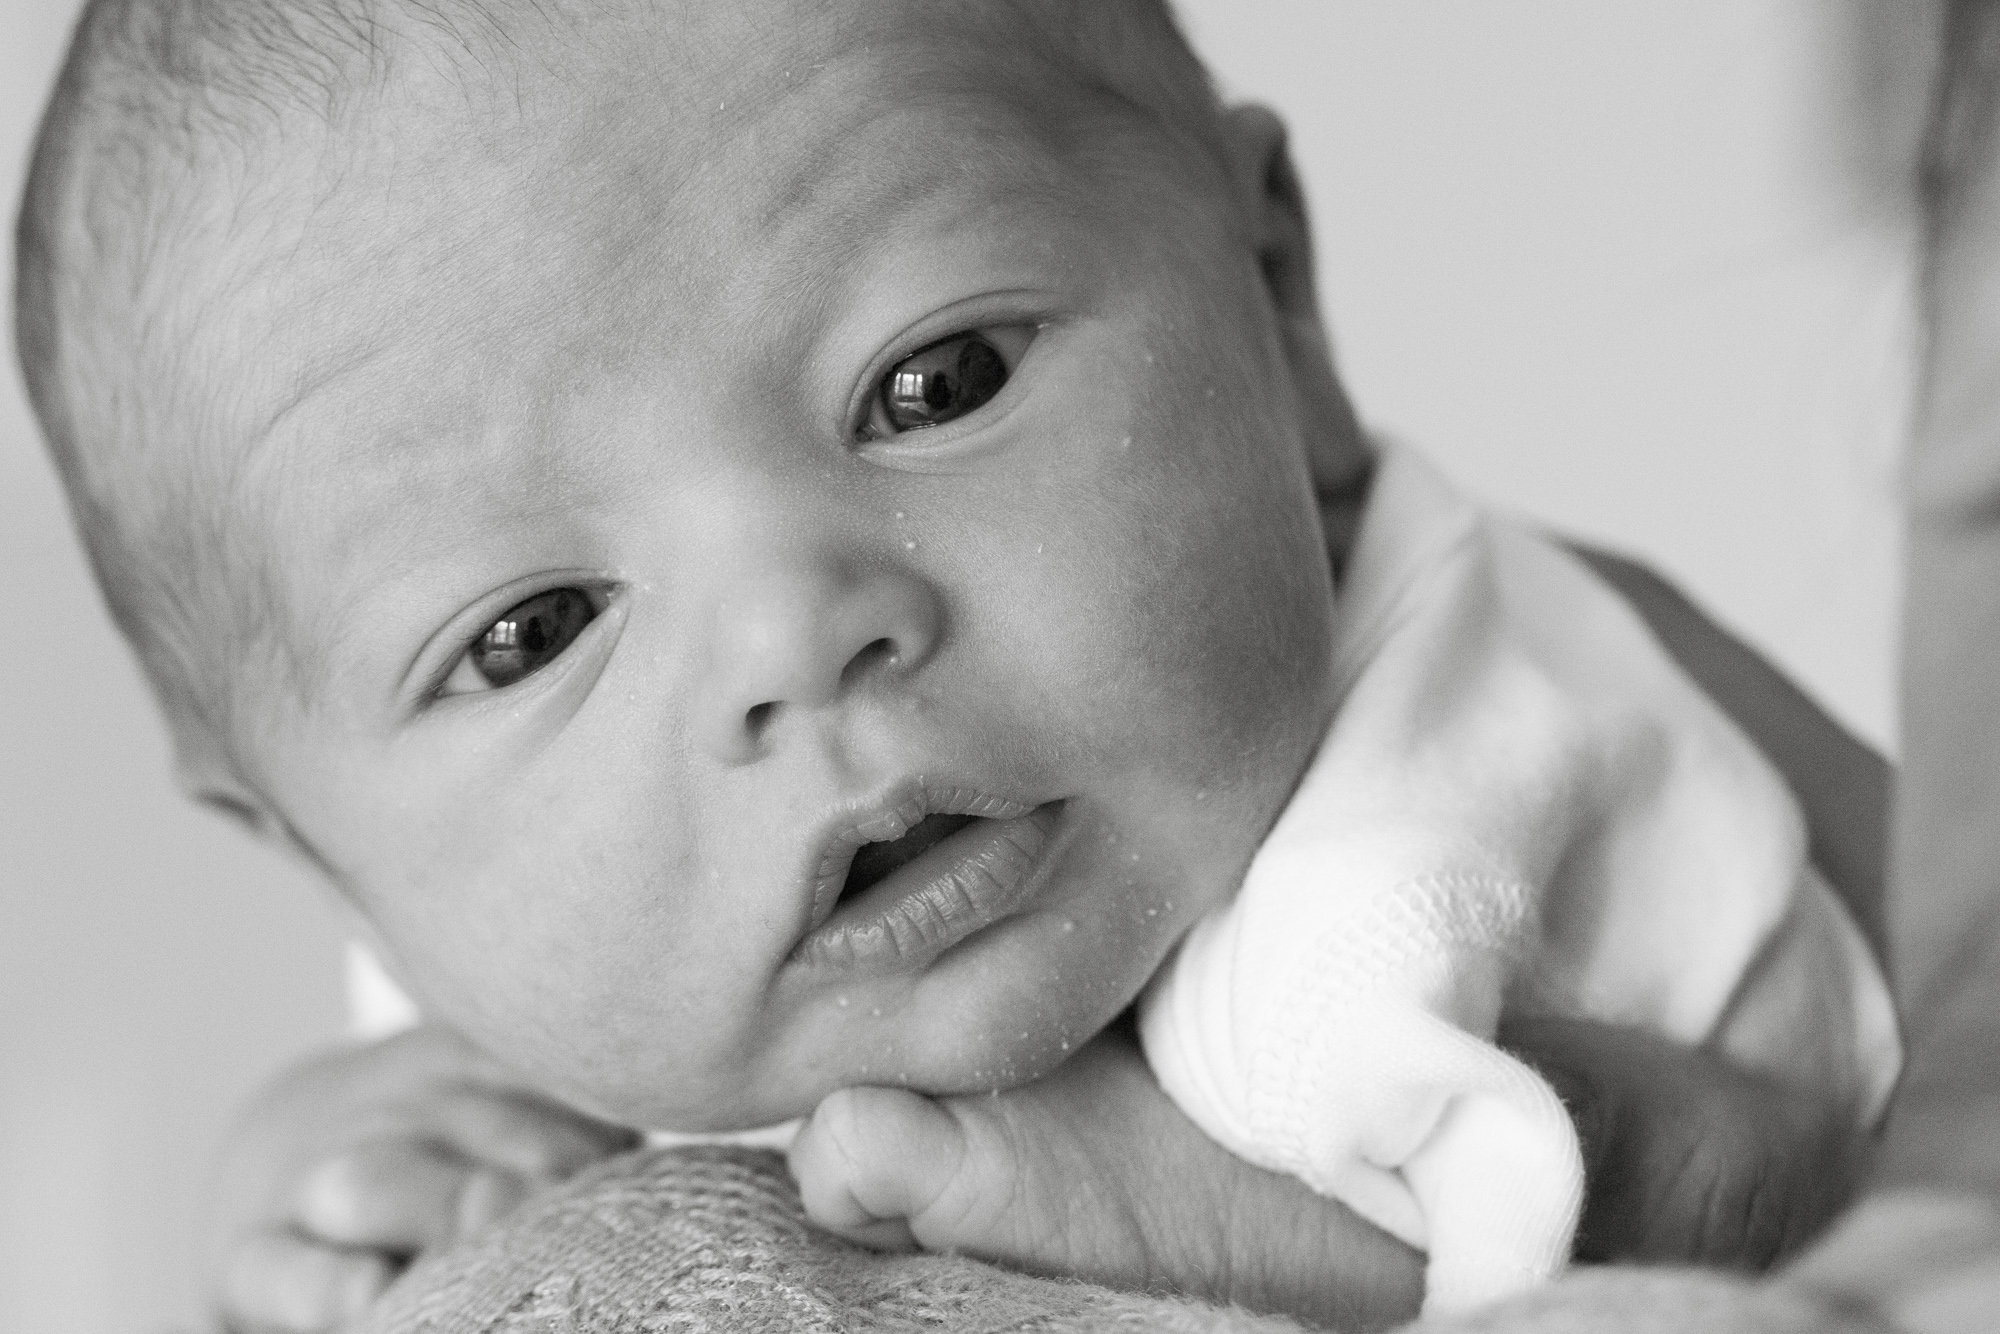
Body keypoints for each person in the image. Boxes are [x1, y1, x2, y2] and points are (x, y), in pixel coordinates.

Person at [11, 2, 1899, 1330]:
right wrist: (329, 1183)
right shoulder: (553, 960)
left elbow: (1564, 1216)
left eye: (934, 386)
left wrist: (1143, 1216)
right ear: (309, 845)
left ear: (1282, 310)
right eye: (530, 634)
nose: (791, 634)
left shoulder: (1444, 799)